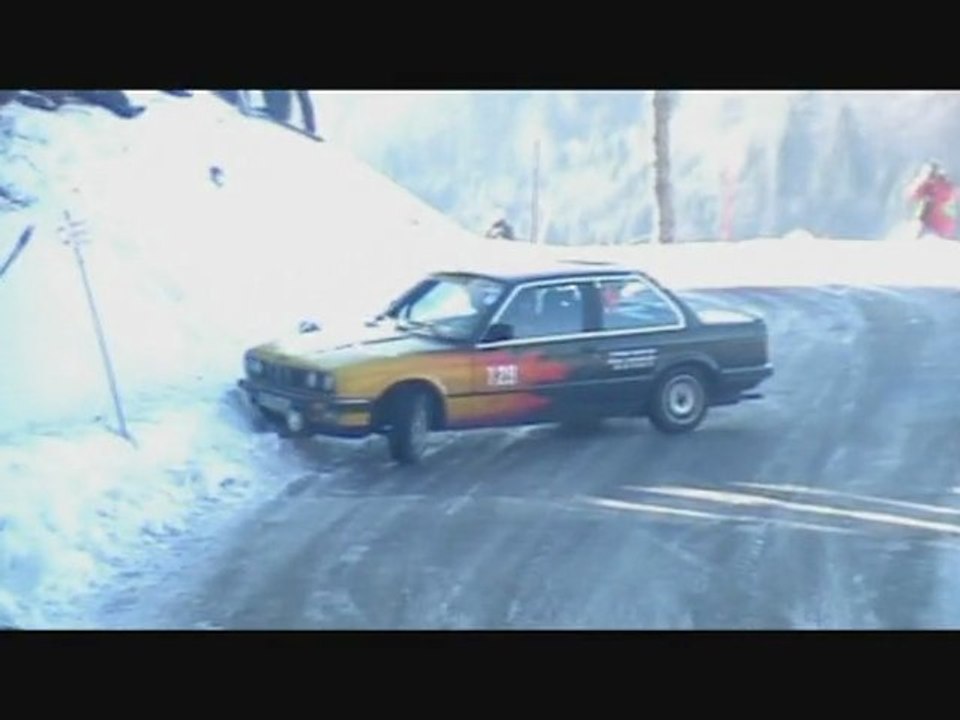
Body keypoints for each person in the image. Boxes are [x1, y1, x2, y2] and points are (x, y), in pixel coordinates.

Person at [908, 161, 958, 239]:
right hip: (948, 228)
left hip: (932, 226)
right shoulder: (951, 188)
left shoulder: (930, 186)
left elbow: (913, 195)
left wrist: (920, 181)